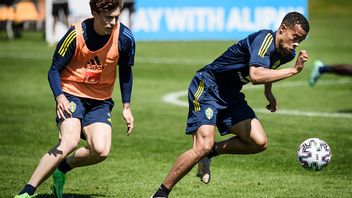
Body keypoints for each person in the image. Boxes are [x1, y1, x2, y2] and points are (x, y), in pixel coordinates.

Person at [151, 11, 309, 198]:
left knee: (259, 142)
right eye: (295, 37)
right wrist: (293, 71)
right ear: (283, 29)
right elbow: (257, 75)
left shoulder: (287, 53)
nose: (297, 44)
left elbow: (268, 68)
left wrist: (269, 93)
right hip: (208, 87)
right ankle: (161, 193)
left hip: (231, 95)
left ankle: (211, 153)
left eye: (301, 40)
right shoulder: (264, 39)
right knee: (202, 145)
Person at [15, 0, 135, 197]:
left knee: (101, 150)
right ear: (94, 13)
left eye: (116, 17)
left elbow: (126, 72)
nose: (113, 23)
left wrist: (127, 107)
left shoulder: (125, 37)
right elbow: (54, 69)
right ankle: (27, 191)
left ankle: (62, 168)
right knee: (69, 141)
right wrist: (59, 96)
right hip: (71, 93)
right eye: (108, 18)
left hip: (100, 101)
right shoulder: (75, 34)